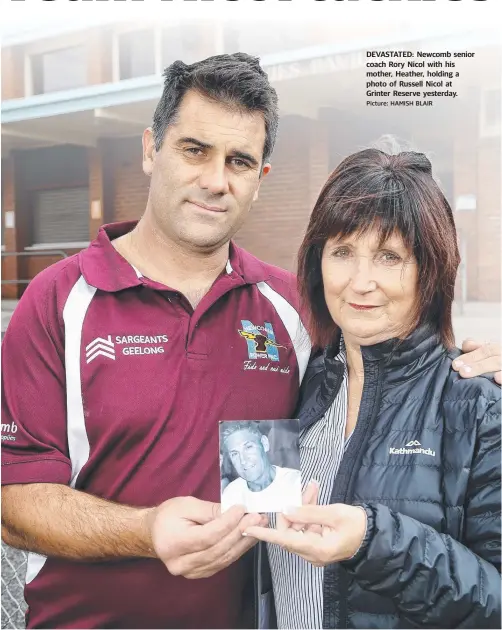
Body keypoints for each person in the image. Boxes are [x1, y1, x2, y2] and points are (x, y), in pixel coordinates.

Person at [0, 53, 500, 630]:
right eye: (194, 150)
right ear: (149, 149)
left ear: (260, 179)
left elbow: (394, 352)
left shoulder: (294, 311)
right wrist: (144, 529)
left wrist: (477, 360)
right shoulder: (59, 299)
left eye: (239, 160)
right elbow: (13, 503)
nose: (215, 180)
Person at [244, 149, 501, 629]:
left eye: (388, 257)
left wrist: (373, 540)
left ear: (430, 271)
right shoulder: (299, 380)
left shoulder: (480, 407)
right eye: (342, 252)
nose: (361, 282)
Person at [221, 421, 301, 513]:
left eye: (248, 447)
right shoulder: (231, 493)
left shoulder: (294, 482)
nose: (243, 460)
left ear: (264, 443)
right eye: (234, 454)